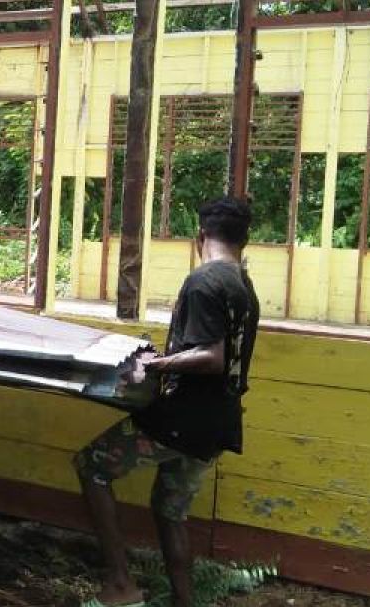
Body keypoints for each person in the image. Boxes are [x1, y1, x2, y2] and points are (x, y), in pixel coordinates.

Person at [74, 197, 259, 607]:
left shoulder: (204, 281)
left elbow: (211, 357)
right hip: (218, 422)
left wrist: (156, 365)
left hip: (181, 418)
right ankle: (183, 600)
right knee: (169, 509)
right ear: (244, 240)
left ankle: (121, 586)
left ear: (200, 236)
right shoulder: (244, 285)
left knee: (92, 467)